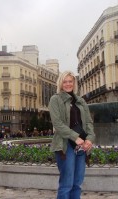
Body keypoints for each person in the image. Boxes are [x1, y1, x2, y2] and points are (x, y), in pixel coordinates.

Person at [48, 71, 95, 199]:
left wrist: (90, 139)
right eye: (65, 81)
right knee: (66, 184)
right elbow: (57, 124)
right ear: (60, 83)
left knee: (77, 184)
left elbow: (89, 122)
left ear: (74, 83)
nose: (68, 84)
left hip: (82, 145)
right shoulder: (55, 99)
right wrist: (75, 137)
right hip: (65, 145)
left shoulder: (80, 101)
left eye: (70, 81)